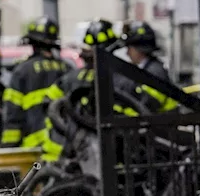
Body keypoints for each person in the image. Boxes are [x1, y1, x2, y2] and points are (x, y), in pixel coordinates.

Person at [41, 19, 132, 162]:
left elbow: (48, 103)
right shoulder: (120, 79)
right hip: (106, 156)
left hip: (67, 154)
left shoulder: (71, 78)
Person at [1, 16, 69, 150]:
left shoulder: (22, 71)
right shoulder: (67, 69)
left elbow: (13, 114)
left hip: (33, 148)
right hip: (63, 146)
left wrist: (9, 147)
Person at [121, 20, 177, 113]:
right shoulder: (145, 69)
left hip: (162, 125)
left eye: (129, 48)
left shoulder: (154, 72)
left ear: (139, 48)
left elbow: (148, 105)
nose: (127, 53)